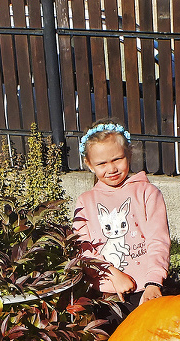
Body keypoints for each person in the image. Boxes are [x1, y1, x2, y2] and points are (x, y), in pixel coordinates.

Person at [72, 120, 170, 329]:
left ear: (129, 155)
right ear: (89, 164)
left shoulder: (147, 193)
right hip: (106, 295)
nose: (112, 168)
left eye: (117, 159)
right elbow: (83, 248)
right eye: (102, 164)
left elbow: (158, 240)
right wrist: (113, 275)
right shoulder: (85, 201)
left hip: (147, 292)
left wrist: (154, 282)